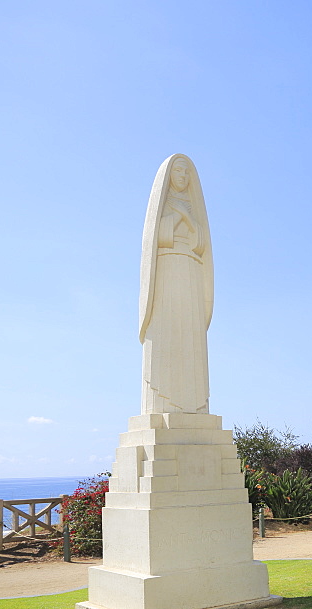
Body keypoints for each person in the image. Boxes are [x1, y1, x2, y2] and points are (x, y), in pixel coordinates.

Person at [138, 154, 214, 414]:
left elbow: (201, 243)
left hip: (191, 272)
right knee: (166, 329)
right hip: (167, 270)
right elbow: (157, 238)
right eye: (178, 171)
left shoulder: (193, 207)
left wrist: (188, 219)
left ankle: (194, 405)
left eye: (186, 173)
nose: (183, 176)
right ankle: (164, 400)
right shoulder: (163, 204)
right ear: (169, 175)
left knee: (190, 333)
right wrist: (178, 218)